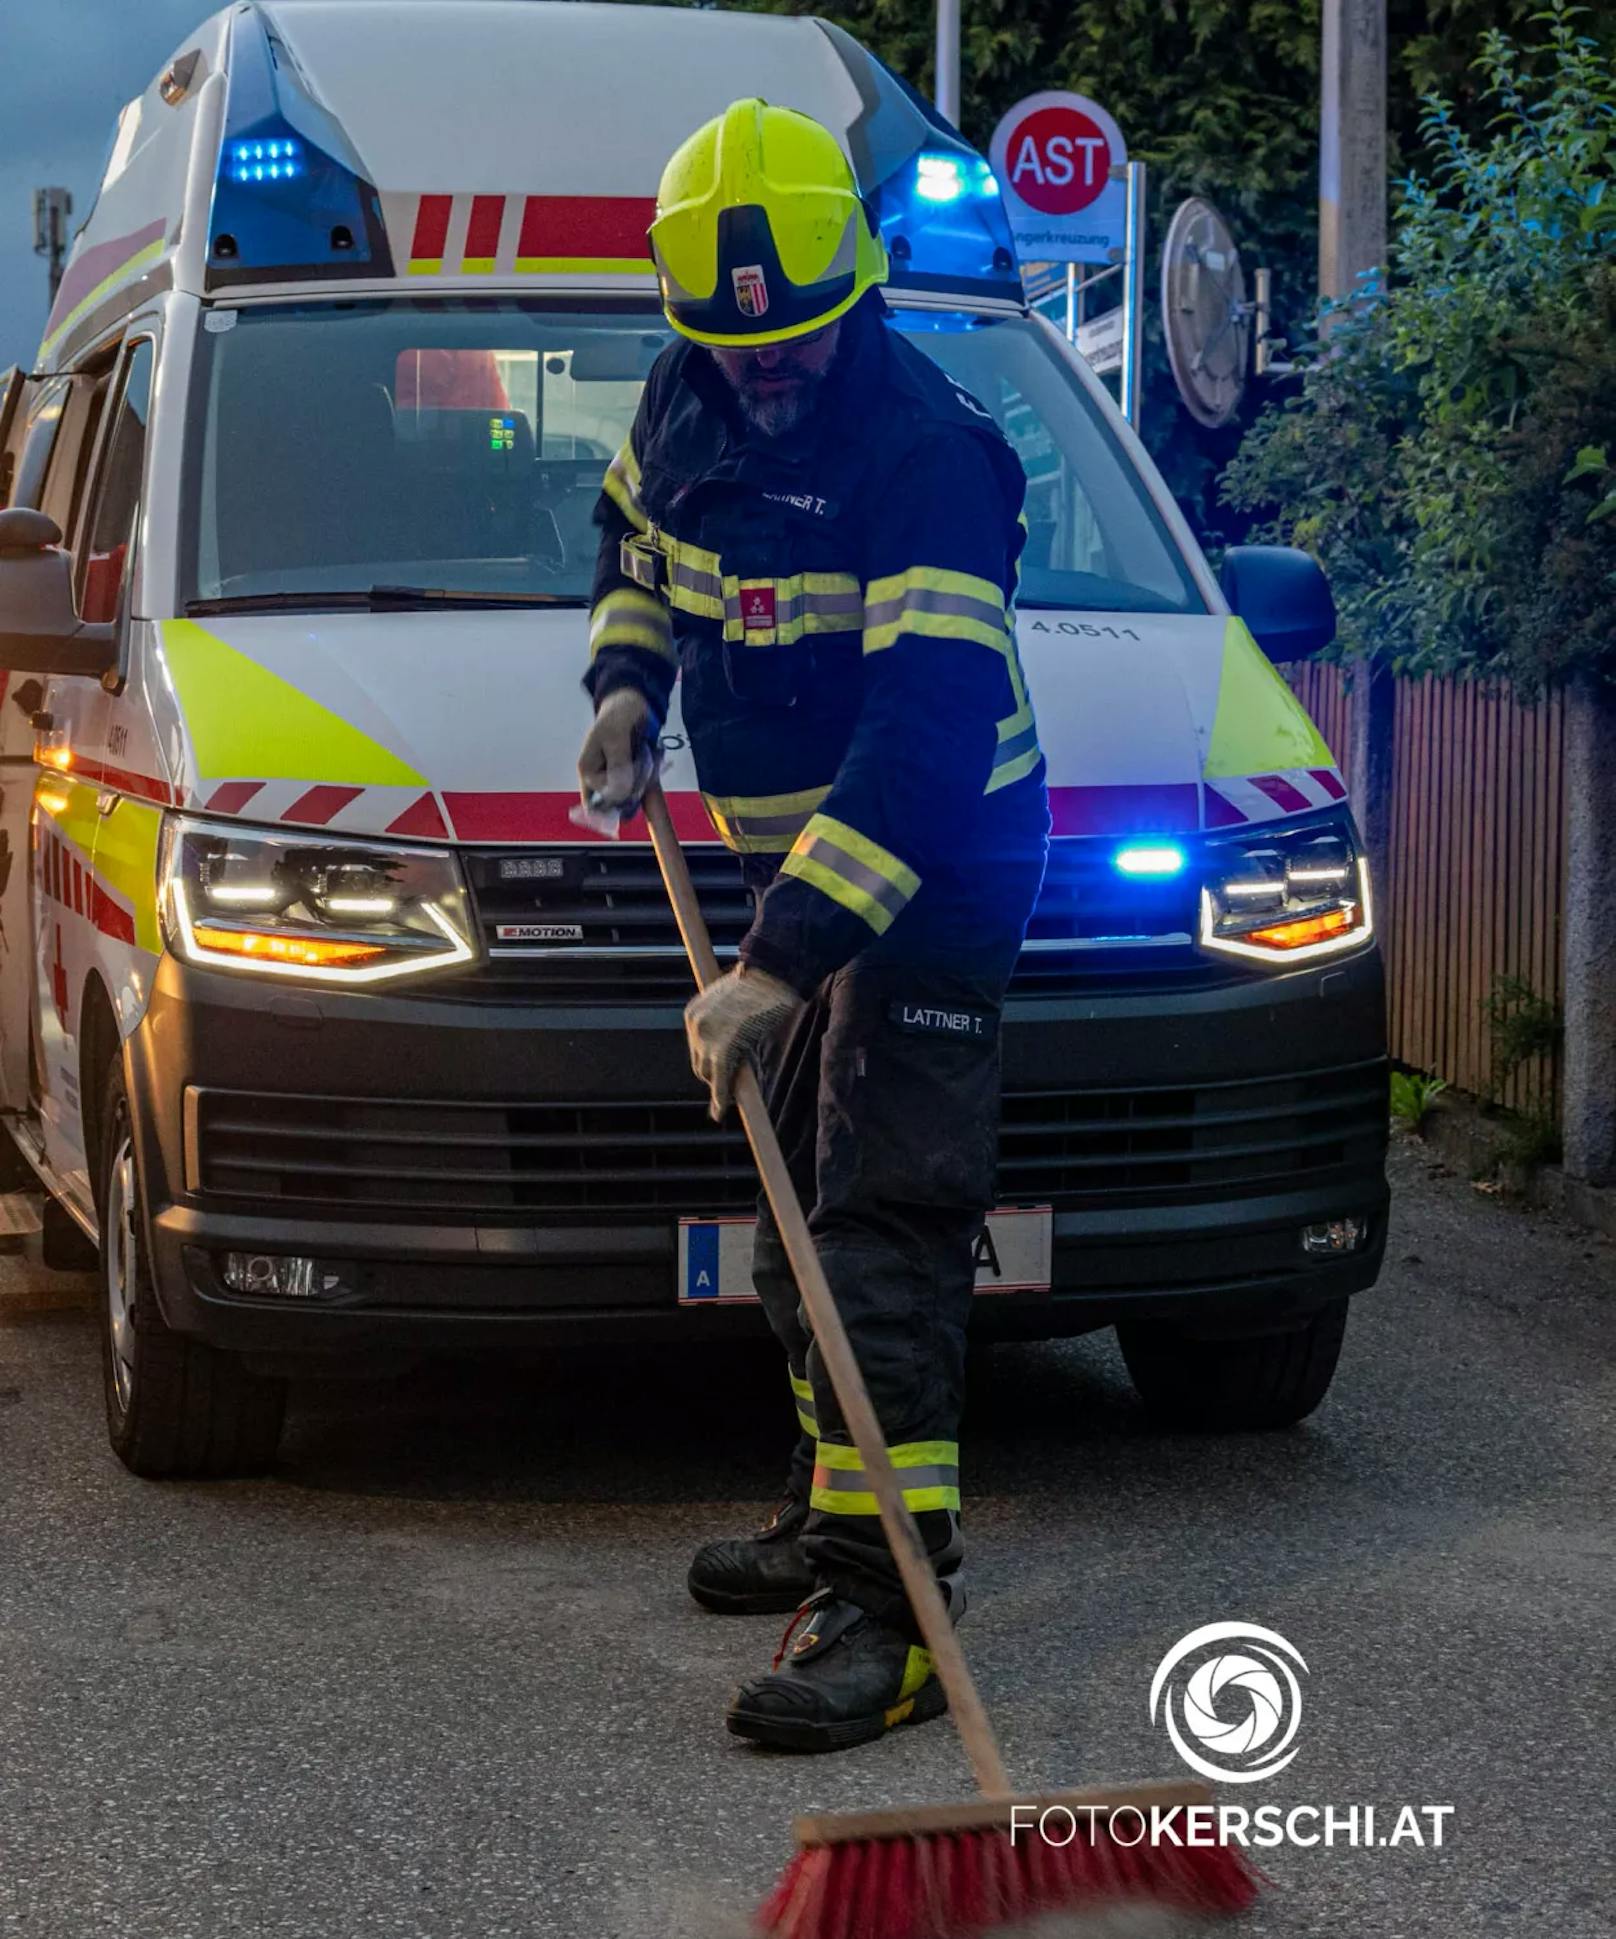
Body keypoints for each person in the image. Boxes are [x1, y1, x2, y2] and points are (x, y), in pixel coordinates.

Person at [577, 99, 1048, 1754]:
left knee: (876, 1226)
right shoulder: (687, 390)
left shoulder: (928, 454)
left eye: (791, 342)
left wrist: (782, 964)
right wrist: (626, 690)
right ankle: (817, 1504)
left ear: (854, 293)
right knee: (789, 1221)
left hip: (933, 872)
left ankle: (890, 1602)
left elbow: (920, 742)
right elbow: (636, 546)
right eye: (729, 344)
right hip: (792, 885)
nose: (761, 371)